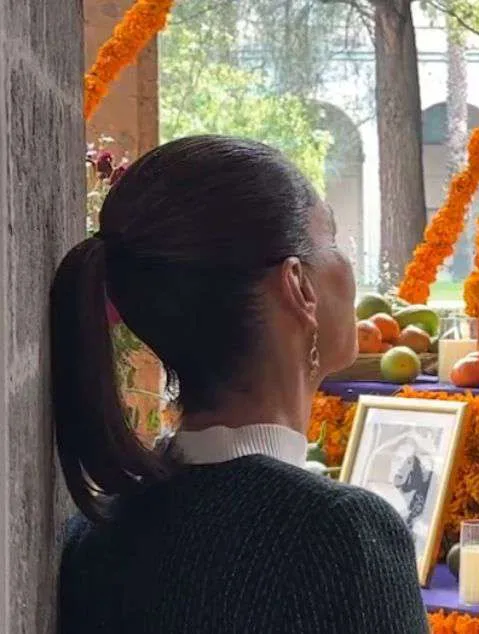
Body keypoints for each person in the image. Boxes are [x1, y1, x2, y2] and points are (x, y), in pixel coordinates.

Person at [54, 136, 428, 633]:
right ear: (298, 285)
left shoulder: (96, 533)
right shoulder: (340, 535)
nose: (349, 267)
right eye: (333, 240)